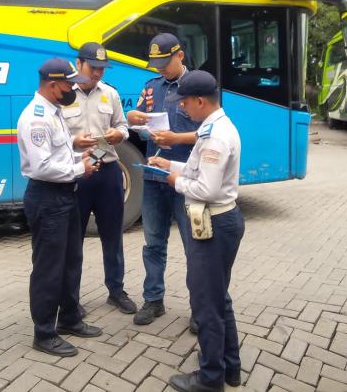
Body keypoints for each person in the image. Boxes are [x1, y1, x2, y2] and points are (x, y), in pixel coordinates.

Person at [149, 70, 244, 392]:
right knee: (219, 299)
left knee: (206, 303)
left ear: (201, 101)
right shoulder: (212, 127)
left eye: (185, 103)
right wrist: (169, 167)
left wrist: (175, 182)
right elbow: (197, 168)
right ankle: (230, 368)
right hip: (221, 221)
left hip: (215, 224)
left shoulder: (215, 135)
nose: (182, 109)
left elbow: (205, 187)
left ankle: (210, 377)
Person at [17, 57, 103, 357]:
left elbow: (55, 154)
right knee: (48, 268)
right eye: (70, 84)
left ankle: (69, 318)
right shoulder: (36, 117)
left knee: (70, 261)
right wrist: (82, 169)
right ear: (53, 85)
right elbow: (42, 167)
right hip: (47, 196)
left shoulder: (53, 111)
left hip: (65, 195)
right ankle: (44, 333)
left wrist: (76, 149)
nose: (74, 89)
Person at [126, 33, 200, 330]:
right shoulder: (151, 86)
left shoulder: (198, 86)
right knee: (153, 243)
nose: (159, 68)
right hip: (154, 177)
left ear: (180, 55)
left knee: (194, 246)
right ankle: (153, 300)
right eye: (155, 62)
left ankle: (200, 307)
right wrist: (134, 117)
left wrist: (175, 138)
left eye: (164, 62)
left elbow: (209, 132)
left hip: (186, 179)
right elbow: (138, 117)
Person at [63, 42, 137, 315]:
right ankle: (71, 298)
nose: (97, 74)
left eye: (102, 69)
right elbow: (54, 137)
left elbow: (122, 126)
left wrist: (120, 134)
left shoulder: (110, 94)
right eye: (93, 67)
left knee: (112, 235)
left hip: (108, 173)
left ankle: (116, 291)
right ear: (78, 63)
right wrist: (74, 141)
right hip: (77, 174)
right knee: (74, 239)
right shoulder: (63, 95)